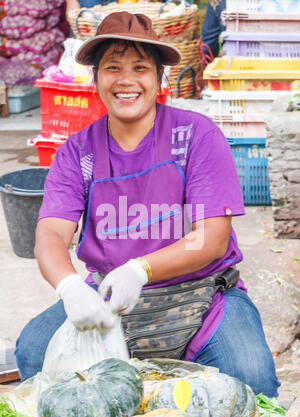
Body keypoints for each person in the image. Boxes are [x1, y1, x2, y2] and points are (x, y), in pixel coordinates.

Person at [15, 11, 280, 397]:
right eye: (112, 68)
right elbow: (51, 233)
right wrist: (70, 286)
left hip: (202, 292)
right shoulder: (77, 152)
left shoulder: (196, 135)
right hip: (110, 300)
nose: (126, 80)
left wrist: (139, 269)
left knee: (250, 377)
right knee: (34, 351)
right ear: (96, 79)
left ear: (159, 78)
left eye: (140, 67)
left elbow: (212, 238)